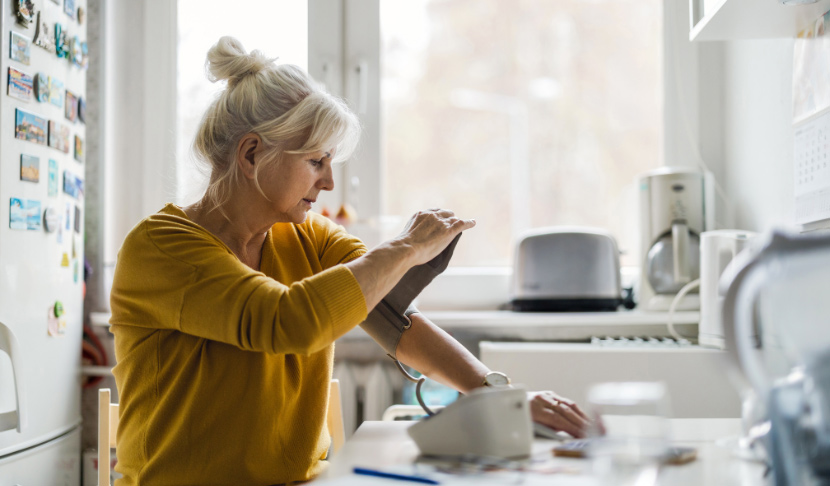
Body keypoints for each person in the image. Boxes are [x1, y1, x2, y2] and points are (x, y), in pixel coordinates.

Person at [109, 36, 589, 485]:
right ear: (252, 154)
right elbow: (284, 321)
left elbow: (389, 312)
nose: (328, 183)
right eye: (315, 161)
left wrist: (498, 396)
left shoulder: (310, 237)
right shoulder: (160, 248)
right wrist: (404, 248)